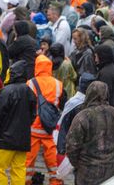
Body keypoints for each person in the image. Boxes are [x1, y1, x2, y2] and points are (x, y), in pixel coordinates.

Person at [66, 81, 114, 185]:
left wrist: (78, 164)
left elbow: (71, 146)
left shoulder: (83, 117)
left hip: (86, 173)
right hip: (111, 171)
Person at [0, 60, 37, 185]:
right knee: (19, 168)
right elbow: (33, 115)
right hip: (22, 139)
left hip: (4, 139)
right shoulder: (30, 92)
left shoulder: (6, 91)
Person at [25, 55, 65, 185]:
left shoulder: (30, 83)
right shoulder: (58, 84)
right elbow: (62, 104)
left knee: (27, 164)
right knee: (53, 165)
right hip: (50, 129)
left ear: (36, 67)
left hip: (33, 129)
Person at [94, 43, 114, 108]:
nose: (95, 60)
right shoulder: (110, 67)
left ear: (102, 56)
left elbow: (103, 96)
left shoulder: (105, 73)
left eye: (96, 57)